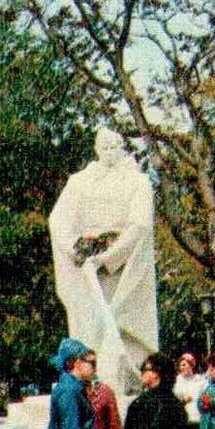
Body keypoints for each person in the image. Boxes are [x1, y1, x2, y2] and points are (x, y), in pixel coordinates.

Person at [48, 128, 160, 394]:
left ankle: (124, 378)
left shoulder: (137, 182)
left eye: (115, 146)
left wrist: (109, 257)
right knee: (90, 327)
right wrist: (77, 250)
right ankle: (88, 377)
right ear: (96, 149)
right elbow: (59, 220)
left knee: (118, 328)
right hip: (87, 270)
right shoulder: (79, 182)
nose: (111, 151)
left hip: (123, 269)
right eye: (105, 147)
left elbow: (140, 225)